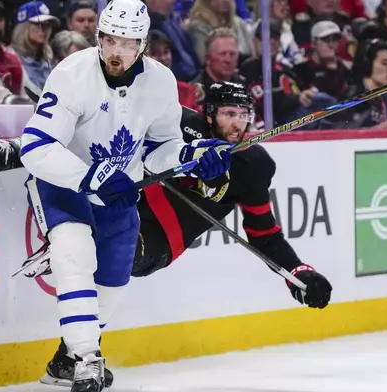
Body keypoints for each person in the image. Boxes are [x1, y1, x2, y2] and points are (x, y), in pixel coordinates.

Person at [0, 81, 333, 388]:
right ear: (208, 115)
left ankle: (70, 243)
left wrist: (300, 273)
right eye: (227, 114)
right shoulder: (180, 126)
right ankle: (67, 360)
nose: (236, 124)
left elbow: (264, 234)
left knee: (98, 247)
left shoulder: (253, 164)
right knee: (94, 157)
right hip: (124, 207)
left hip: (156, 243)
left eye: (242, 115)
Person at [13, 0, 233, 390]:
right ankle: (86, 360)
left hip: (120, 193)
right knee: (74, 251)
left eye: (127, 43)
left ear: (143, 44)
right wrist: (89, 177)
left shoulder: (161, 81)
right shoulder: (72, 74)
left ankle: (65, 361)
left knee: (111, 287)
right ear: (98, 36)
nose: (116, 51)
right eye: (109, 39)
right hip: (66, 185)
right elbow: (35, 147)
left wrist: (191, 156)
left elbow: (162, 145)